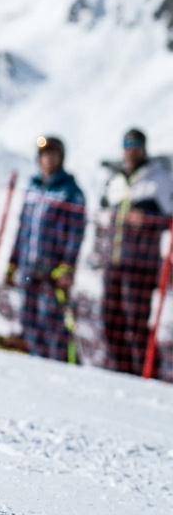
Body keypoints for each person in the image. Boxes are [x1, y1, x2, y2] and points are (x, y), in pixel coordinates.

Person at [96, 128, 173, 375]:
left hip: (140, 265)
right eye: (127, 144)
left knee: (135, 324)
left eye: (135, 145)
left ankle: (147, 373)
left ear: (143, 148)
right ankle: (121, 372)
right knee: (110, 321)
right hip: (113, 261)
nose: (131, 150)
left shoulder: (158, 179)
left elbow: (168, 217)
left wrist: (148, 217)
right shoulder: (115, 179)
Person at [8, 136, 86, 362]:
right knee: (28, 320)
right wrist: (13, 261)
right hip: (27, 266)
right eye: (44, 155)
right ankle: (35, 365)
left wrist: (67, 266)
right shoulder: (33, 186)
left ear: (61, 158)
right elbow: (22, 227)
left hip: (52, 272)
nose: (48, 159)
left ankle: (57, 367)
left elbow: (75, 233)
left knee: (51, 322)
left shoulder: (70, 191)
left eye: (53, 154)